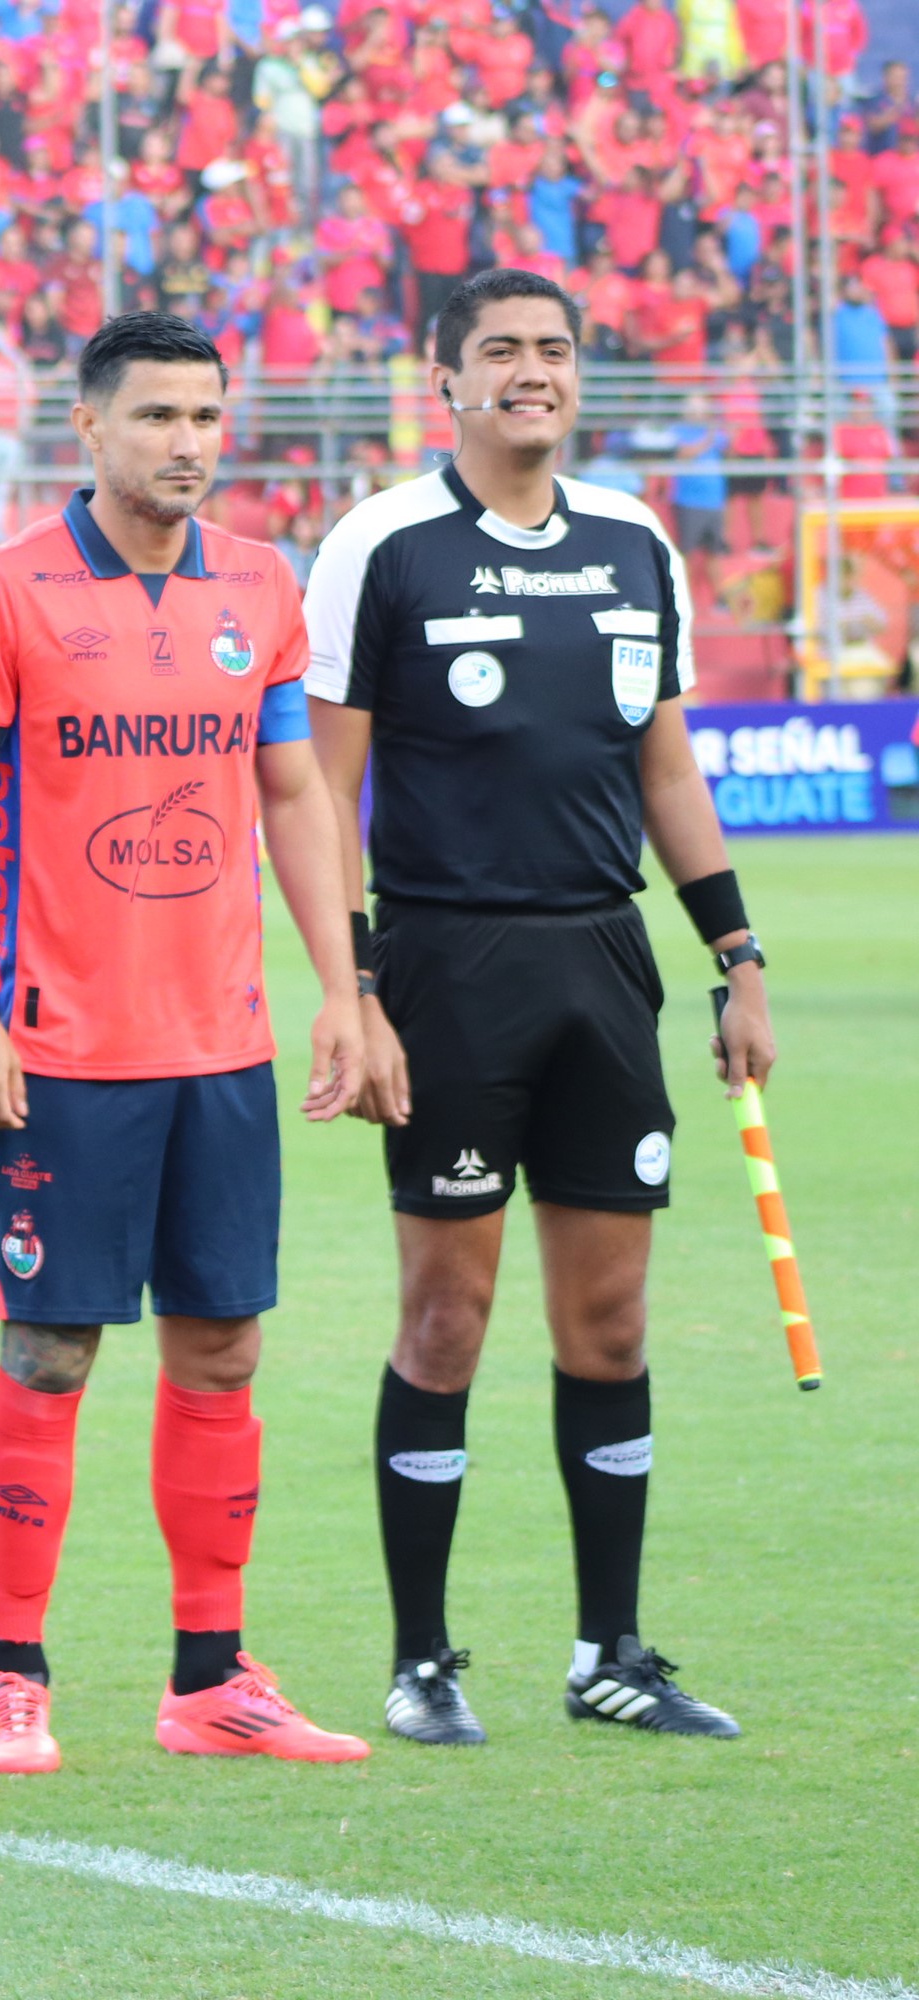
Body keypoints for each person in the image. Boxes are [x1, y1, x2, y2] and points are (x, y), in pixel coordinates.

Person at [305, 267, 774, 1745]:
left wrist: (737, 955)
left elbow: (666, 769)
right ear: (444, 379)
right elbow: (318, 793)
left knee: (612, 1323)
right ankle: (422, 1661)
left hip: (603, 963)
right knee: (446, 1319)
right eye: (500, 350)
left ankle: (610, 1653)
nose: (531, 371)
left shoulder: (635, 541)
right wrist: (354, 989)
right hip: (446, 968)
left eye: (554, 350)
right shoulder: (382, 543)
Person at [0, 312, 371, 1779]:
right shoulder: (3, 593)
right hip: (60, 1046)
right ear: (91, 428)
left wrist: (343, 989)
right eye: (158, 417)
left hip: (221, 1045)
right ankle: (15, 1679)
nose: (188, 443)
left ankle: (210, 1679)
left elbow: (294, 793)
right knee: (51, 1353)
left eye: (205, 417)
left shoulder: (260, 584)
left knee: (224, 1347)